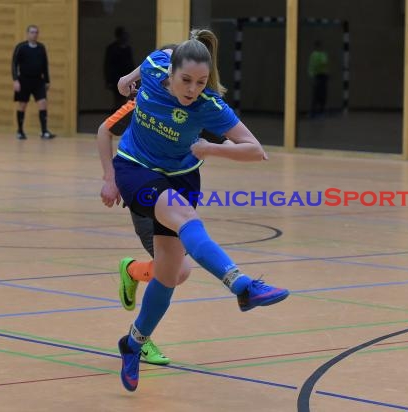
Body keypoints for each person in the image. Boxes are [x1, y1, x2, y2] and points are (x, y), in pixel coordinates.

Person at [111, 29, 290, 392]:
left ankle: (133, 344)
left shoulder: (210, 105)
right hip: (135, 168)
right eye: (186, 80)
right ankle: (242, 285)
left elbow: (256, 150)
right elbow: (132, 76)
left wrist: (210, 148)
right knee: (187, 219)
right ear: (170, 73)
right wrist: (127, 81)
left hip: (181, 177)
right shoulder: (155, 65)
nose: (192, 89)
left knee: (168, 274)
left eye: (201, 81)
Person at [97, 93, 233, 365]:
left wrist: (216, 147)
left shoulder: (198, 107)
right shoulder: (147, 101)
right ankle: (140, 339)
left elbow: (230, 139)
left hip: (177, 193)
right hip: (145, 192)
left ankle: (133, 271)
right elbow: (104, 130)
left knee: (175, 271)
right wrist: (110, 179)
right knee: (178, 271)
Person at [11, 24, 55, 140]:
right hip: (24, 80)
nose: (34, 34)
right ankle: (20, 131)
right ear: (27, 33)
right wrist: (15, 80)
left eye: (36, 32)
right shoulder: (21, 47)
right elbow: (14, 64)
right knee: (22, 105)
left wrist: (47, 80)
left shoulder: (41, 47)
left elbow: (45, 65)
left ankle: (44, 131)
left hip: (38, 81)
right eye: (32, 32)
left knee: (43, 103)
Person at [104, 26, 135, 112]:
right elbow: (108, 66)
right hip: (116, 79)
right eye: (125, 34)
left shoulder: (128, 48)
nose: (127, 36)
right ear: (119, 36)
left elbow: (131, 64)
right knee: (118, 101)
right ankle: (115, 119)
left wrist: (134, 78)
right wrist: (109, 81)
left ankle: (125, 118)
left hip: (128, 78)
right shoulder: (112, 48)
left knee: (129, 100)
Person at [308, 40, 329, 118]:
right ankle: (316, 111)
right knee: (317, 95)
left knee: (320, 95)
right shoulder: (318, 55)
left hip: (321, 76)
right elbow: (323, 63)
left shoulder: (318, 55)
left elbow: (324, 64)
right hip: (318, 76)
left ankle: (319, 111)